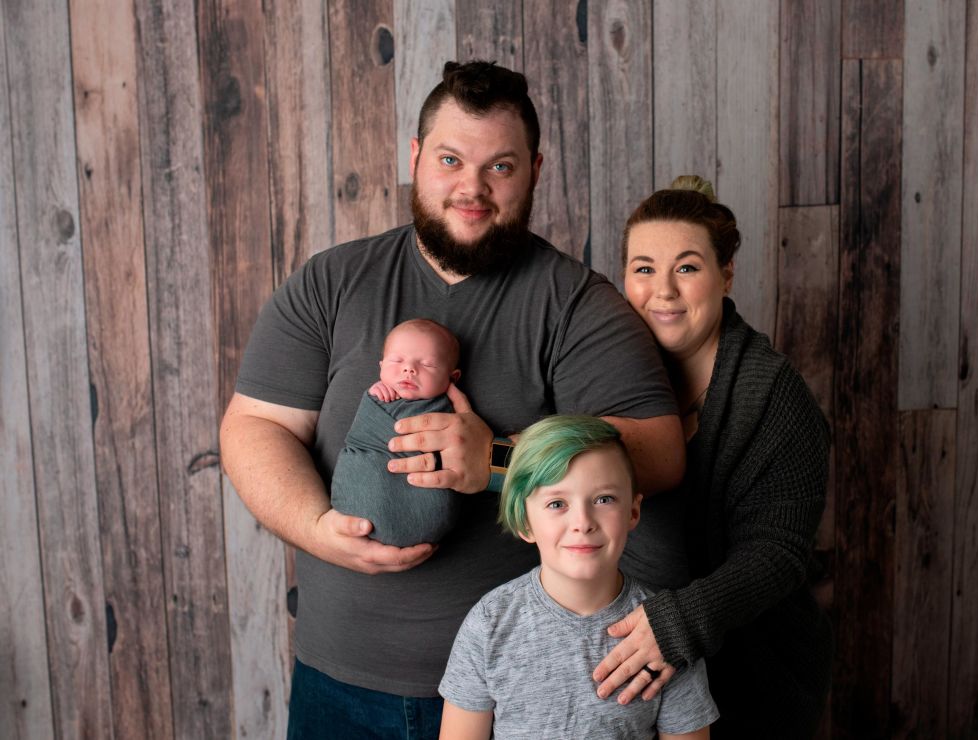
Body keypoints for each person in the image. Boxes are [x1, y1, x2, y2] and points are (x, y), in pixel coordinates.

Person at [218, 61, 684, 739]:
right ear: (415, 159)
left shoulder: (578, 306)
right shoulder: (332, 282)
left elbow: (662, 452)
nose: (472, 187)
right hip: (337, 679)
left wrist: (500, 459)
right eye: (450, 159)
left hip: (514, 689)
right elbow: (254, 427)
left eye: (500, 166)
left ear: (535, 169)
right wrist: (319, 529)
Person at [590, 176, 833, 737]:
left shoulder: (774, 395)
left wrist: (676, 624)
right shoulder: (608, 370)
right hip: (633, 676)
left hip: (750, 676)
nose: (664, 292)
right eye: (644, 269)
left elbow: (778, 553)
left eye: (688, 267)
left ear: (726, 275)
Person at [439, 415, 718, 739]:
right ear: (524, 521)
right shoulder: (490, 623)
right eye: (557, 503)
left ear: (632, 511)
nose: (583, 522)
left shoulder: (664, 633)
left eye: (603, 499)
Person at [331, 319, 463, 547]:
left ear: (452, 378)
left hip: (428, 512)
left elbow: (457, 450)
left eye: (428, 364)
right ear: (381, 366)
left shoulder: (452, 410)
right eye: (397, 360)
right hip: (358, 502)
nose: (409, 369)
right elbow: (361, 436)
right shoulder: (377, 397)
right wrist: (373, 395)